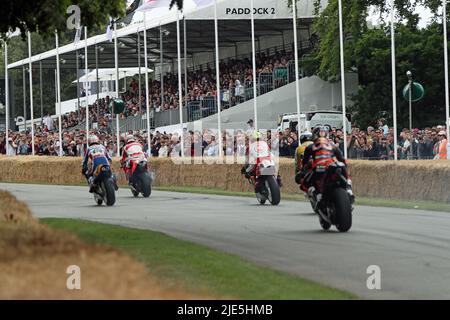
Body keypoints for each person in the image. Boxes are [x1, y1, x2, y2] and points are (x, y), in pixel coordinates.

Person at [298, 126, 353, 204]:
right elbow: (342, 159)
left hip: (319, 167)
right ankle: (349, 189)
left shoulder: (311, 147)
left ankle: (317, 195)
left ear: (314, 136)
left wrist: (302, 171)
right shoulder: (333, 146)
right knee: (344, 172)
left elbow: (304, 163)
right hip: (334, 165)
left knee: (305, 182)